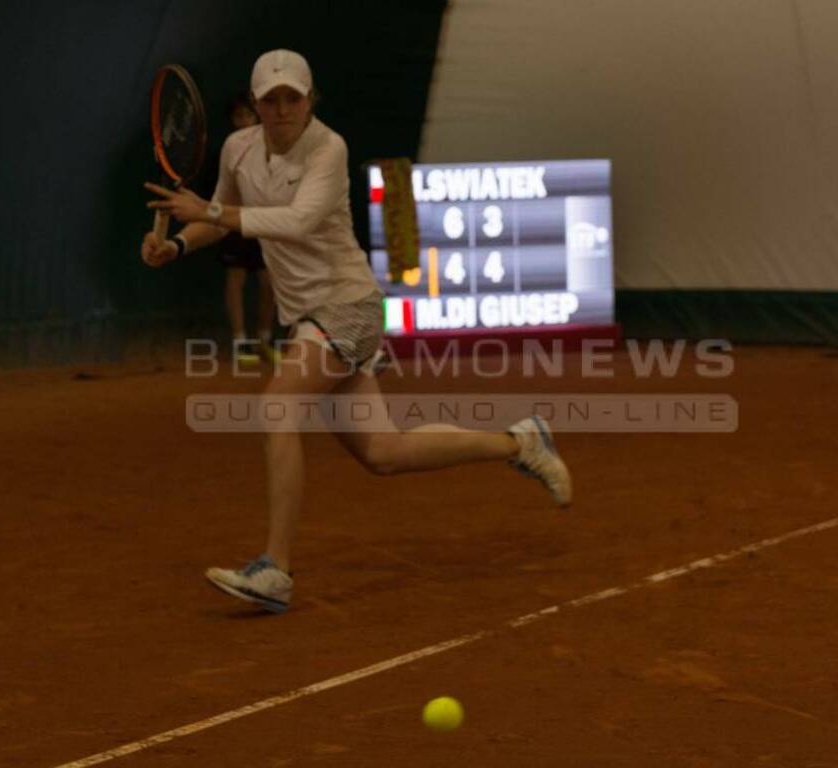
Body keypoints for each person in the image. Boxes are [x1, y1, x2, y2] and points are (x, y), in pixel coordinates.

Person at [141, 49, 572, 614]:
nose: (282, 109)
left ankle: (276, 569)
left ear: (310, 99)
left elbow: (294, 220)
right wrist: (174, 243)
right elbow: (221, 215)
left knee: (277, 408)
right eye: (270, 99)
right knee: (384, 452)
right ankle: (520, 441)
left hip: (349, 307)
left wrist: (212, 213)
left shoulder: (329, 147)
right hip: (310, 318)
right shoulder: (237, 149)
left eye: (292, 97)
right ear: (254, 105)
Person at [218, 96, 279, 367]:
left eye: (248, 116)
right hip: (234, 225)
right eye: (238, 117)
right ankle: (240, 341)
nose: (244, 121)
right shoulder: (229, 151)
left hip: (265, 225)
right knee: (236, 277)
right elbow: (218, 202)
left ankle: (265, 340)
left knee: (269, 283)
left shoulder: (274, 149)